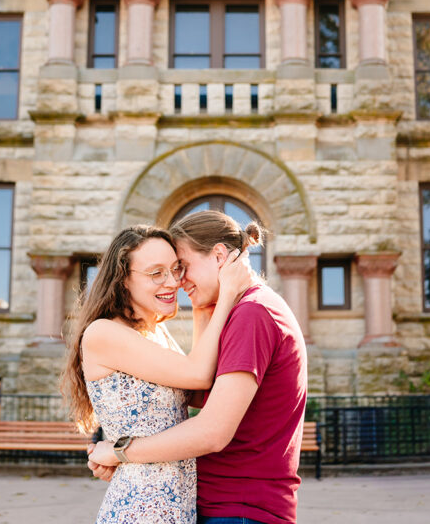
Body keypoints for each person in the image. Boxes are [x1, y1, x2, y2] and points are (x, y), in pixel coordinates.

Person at [88, 211, 308, 524]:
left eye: (182, 267)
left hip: (239, 510)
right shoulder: (246, 311)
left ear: (219, 255)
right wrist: (204, 309)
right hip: (220, 506)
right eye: (161, 272)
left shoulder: (253, 315)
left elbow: (212, 432)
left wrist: (120, 451)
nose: (178, 281)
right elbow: (198, 388)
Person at [62, 223, 252, 524]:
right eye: (156, 273)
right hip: (140, 509)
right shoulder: (104, 332)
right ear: (123, 279)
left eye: (176, 269)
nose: (173, 282)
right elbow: (199, 373)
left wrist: (202, 306)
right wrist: (227, 294)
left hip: (177, 506)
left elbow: (196, 387)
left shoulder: (157, 332)